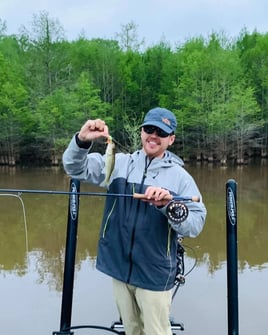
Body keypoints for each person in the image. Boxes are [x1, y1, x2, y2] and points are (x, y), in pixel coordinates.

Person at [62, 107, 207, 335]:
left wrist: (168, 206)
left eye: (161, 132)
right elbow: (75, 168)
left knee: (157, 331)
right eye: (149, 129)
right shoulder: (119, 162)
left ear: (171, 139)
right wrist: (81, 141)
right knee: (131, 330)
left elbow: (196, 224)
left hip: (154, 272)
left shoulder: (181, 178)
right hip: (119, 267)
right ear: (141, 132)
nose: (154, 135)